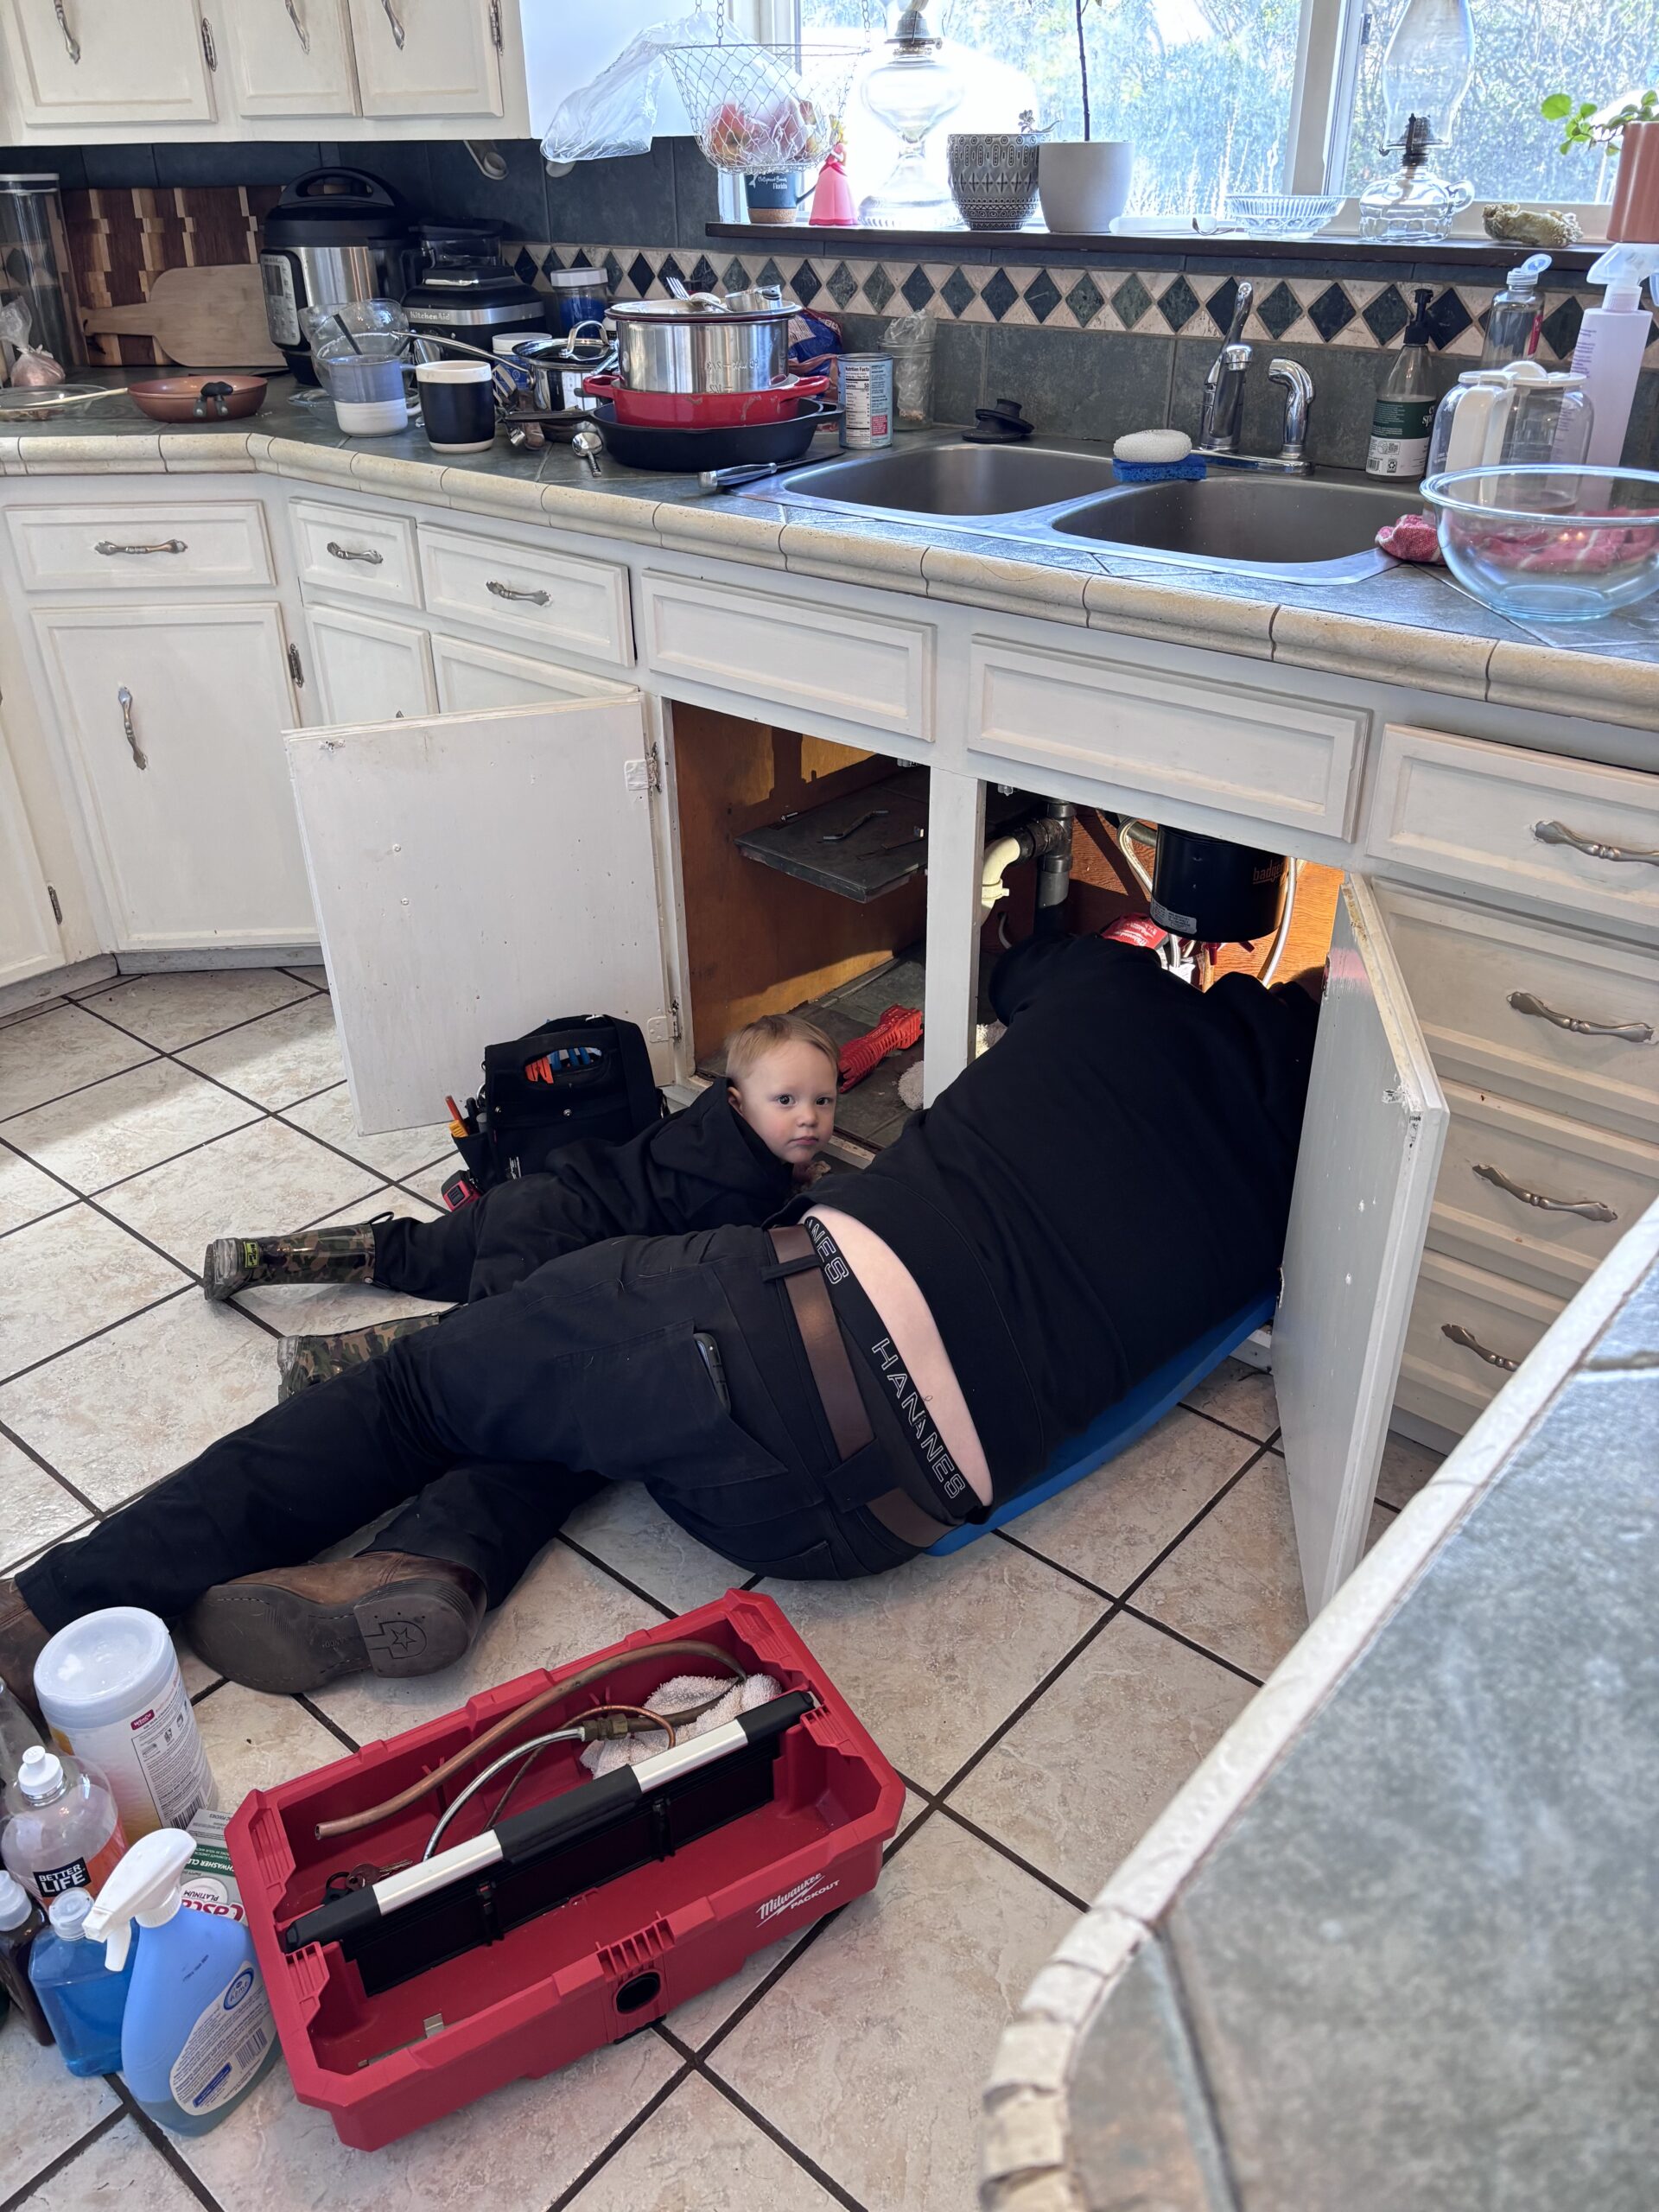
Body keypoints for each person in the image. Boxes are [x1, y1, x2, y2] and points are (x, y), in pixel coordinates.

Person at [0, 931, 1319, 1704]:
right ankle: (436, 1566)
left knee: (438, 1386)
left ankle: (57, 1606)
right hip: (850, 1534)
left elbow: (1026, 964)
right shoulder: (1294, 1224)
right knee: (594, 1391)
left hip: (767, 1341)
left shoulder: (1119, 994)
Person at [205, 1013, 840, 1398]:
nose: (808, 1117)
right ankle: (322, 1360)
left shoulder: (703, 1122)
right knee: (493, 1332)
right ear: (737, 1101)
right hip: (556, 1245)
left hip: (535, 1196)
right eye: (786, 1101)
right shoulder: (742, 1192)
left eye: (824, 1102)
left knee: (419, 1248)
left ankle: (261, 1254)